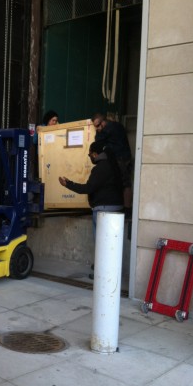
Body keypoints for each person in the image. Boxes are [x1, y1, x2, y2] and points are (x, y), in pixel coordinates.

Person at [58, 141, 124, 277]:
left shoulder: (101, 168)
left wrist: (68, 184)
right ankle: (106, 268)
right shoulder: (113, 165)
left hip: (104, 210)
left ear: (95, 154)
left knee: (102, 243)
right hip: (116, 208)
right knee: (111, 243)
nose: (90, 157)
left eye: (89, 155)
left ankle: (102, 273)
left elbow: (88, 188)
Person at [91, 112, 133, 212]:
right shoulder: (116, 126)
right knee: (124, 184)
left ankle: (126, 209)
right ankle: (125, 208)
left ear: (103, 122)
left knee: (124, 184)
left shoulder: (108, 129)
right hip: (123, 158)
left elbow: (97, 142)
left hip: (120, 159)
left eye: (97, 126)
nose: (97, 129)